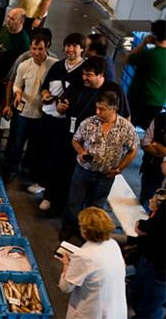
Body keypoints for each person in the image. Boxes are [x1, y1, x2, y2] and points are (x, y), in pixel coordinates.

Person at [60, 91, 138, 240]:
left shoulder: (126, 128)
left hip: (106, 176)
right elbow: (75, 140)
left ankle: (88, 233)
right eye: (97, 108)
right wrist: (81, 151)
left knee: (95, 207)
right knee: (73, 203)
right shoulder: (89, 122)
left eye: (102, 109)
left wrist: (120, 168)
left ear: (113, 108)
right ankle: (68, 228)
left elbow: (133, 149)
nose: (97, 112)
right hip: (83, 171)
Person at [35, 33, 85, 210]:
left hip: (68, 124)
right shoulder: (57, 66)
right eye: (68, 45)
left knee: (61, 157)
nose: (70, 50)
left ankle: (53, 196)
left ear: (82, 49)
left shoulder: (83, 71)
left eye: (74, 46)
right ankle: (42, 183)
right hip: (50, 116)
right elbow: (45, 87)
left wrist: (68, 108)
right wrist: (46, 95)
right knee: (45, 151)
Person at [2, 34, 57, 181]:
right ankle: (12, 169)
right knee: (17, 143)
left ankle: (27, 169)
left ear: (47, 48)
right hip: (23, 112)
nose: (37, 53)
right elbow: (16, 83)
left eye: (40, 49)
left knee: (34, 144)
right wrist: (17, 93)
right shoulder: (24, 65)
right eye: (34, 48)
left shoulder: (54, 65)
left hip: (41, 113)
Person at [58, 207, 127, 319]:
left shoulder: (84, 256)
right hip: (114, 309)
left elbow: (65, 287)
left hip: (91, 312)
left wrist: (66, 265)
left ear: (85, 231)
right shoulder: (112, 244)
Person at [127, 189, 166, 318]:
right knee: (140, 295)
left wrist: (142, 226)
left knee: (150, 307)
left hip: (159, 267)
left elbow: (149, 228)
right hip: (150, 258)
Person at [127, 20, 166, 130]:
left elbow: (129, 58)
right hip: (158, 102)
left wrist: (143, 43)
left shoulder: (149, 54)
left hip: (139, 99)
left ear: (154, 35)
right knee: (148, 134)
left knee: (127, 130)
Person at [0, 8, 30, 88]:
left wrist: (9, 79)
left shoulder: (24, 41)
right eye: (8, 17)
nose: (8, 20)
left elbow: (21, 65)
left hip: (4, 79)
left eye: (12, 19)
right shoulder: (4, 29)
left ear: (21, 22)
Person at [138, 112, 166, 210]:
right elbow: (146, 143)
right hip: (151, 169)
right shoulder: (160, 117)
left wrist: (157, 145)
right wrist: (161, 152)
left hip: (162, 174)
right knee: (144, 203)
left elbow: (152, 143)